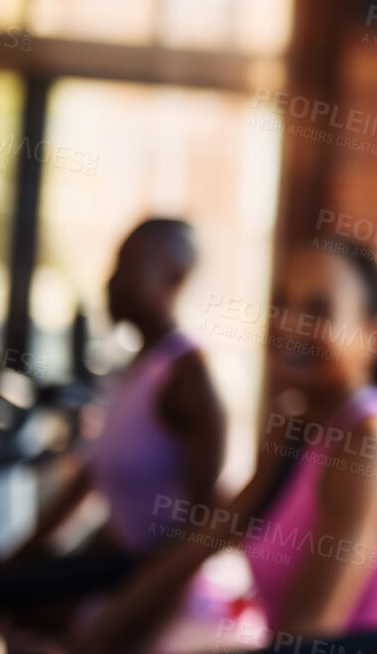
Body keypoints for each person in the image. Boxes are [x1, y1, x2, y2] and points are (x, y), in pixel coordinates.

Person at [75, 239, 377, 654]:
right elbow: (208, 536)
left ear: (376, 335)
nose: (289, 323)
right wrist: (95, 641)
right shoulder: (297, 426)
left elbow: (304, 635)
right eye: (282, 302)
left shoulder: (372, 443)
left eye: (318, 308)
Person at [16, 218, 224, 563]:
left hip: (153, 598)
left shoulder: (189, 379)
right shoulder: (137, 367)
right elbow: (93, 475)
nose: (111, 281)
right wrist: (22, 556)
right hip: (118, 572)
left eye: (126, 267)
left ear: (174, 277)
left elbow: (200, 526)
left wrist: (123, 610)